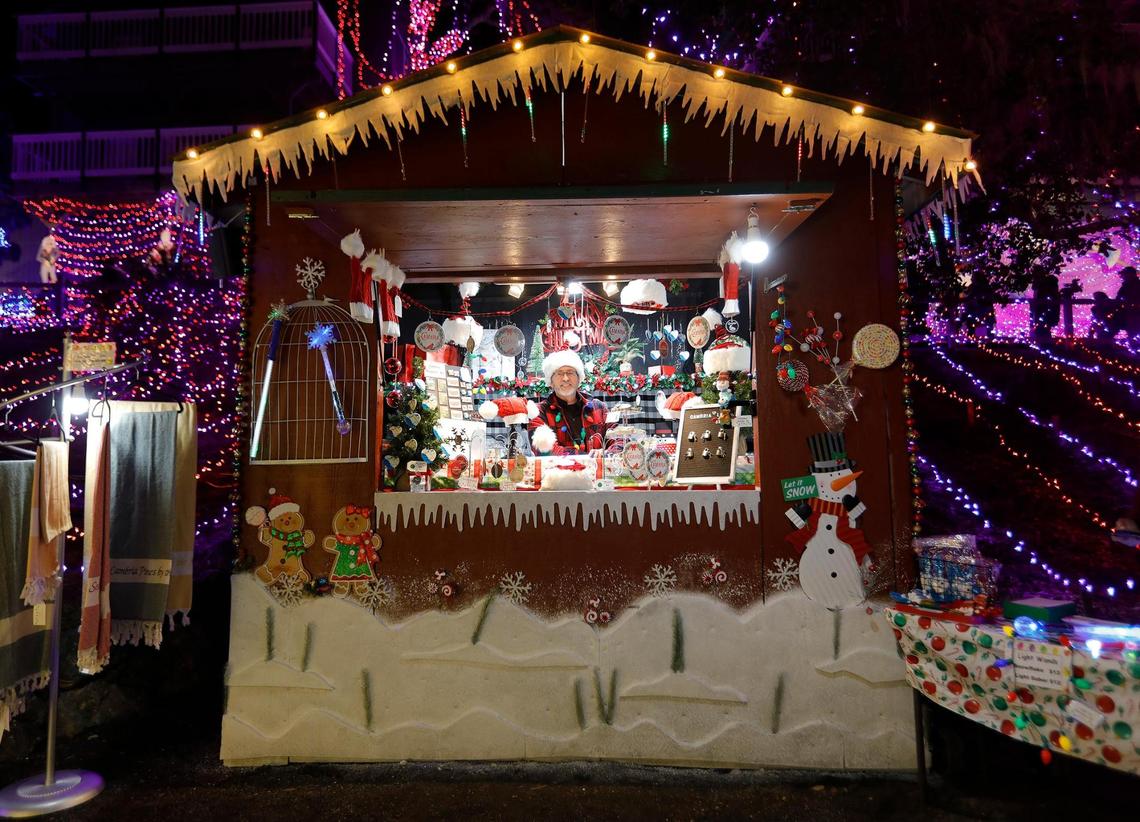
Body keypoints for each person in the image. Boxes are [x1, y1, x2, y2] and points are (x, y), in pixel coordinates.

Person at [528, 349, 612, 454]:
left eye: (570, 372)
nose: (565, 378)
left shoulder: (599, 408)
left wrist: (608, 453)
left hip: (598, 465)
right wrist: (587, 458)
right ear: (551, 381)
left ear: (579, 378)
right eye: (559, 373)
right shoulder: (538, 412)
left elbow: (618, 437)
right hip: (560, 466)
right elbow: (545, 451)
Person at [1116, 266, 1140, 339]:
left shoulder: (1135, 284)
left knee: (1134, 331)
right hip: (1129, 311)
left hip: (1134, 311)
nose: (1122, 276)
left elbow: (1131, 297)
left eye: (1124, 274)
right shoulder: (1126, 285)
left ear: (1130, 274)